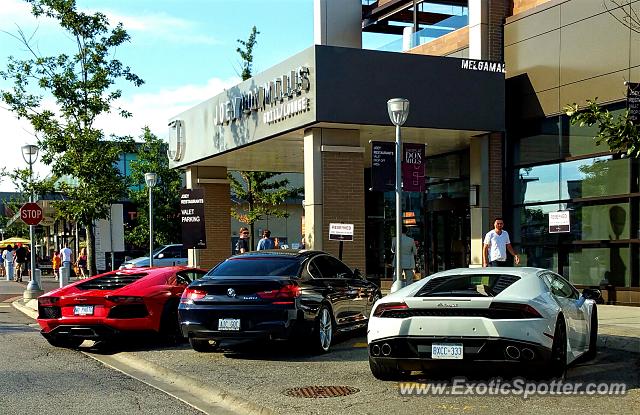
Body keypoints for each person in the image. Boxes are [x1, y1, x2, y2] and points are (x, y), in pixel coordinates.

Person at [390, 226, 417, 292]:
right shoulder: (411, 240)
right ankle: (408, 292)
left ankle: (395, 291)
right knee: (409, 279)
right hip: (408, 262)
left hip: (398, 261)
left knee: (396, 277)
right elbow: (415, 252)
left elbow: (392, 250)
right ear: (406, 231)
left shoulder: (395, 239)